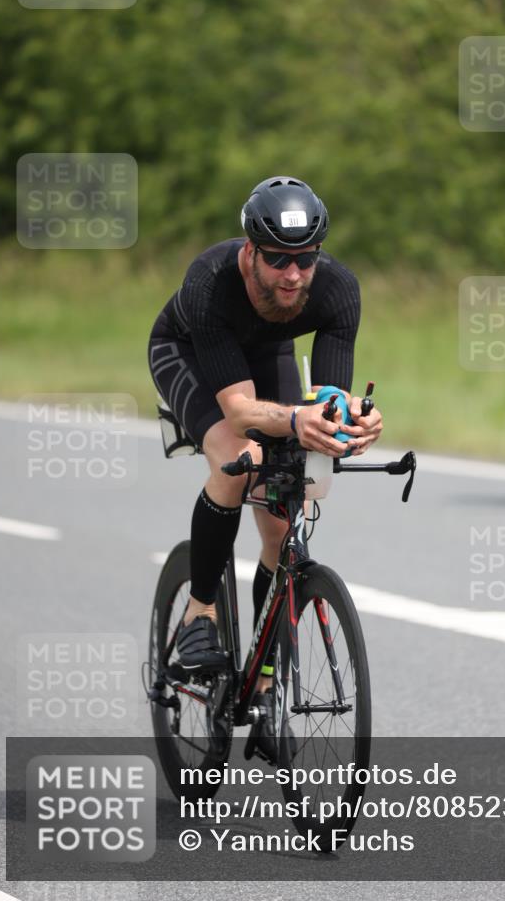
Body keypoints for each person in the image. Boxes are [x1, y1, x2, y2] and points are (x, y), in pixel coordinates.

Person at [148, 176, 382, 741]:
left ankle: (262, 678)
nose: (293, 273)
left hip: (267, 352)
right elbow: (238, 410)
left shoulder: (338, 289)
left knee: (283, 512)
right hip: (188, 354)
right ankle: (199, 611)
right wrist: (295, 422)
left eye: (305, 259)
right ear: (250, 251)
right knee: (241, 453)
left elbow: (325, 402)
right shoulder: (210, 281)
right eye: (278, 259)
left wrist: (355, 416)